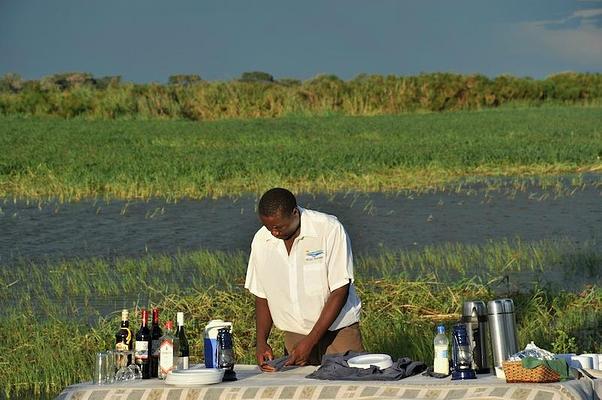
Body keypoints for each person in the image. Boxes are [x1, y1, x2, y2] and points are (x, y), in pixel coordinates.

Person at [244, 188, 364, 371]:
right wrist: (261, 342)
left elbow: (340, 290)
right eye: (269, 228)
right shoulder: (261, 241)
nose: (274, 233)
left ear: (294, 213)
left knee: (348, 390)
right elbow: (262, 295)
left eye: (279, 227)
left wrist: (310, 341)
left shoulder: (328, 229)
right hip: (294, 337)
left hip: (338, 334)